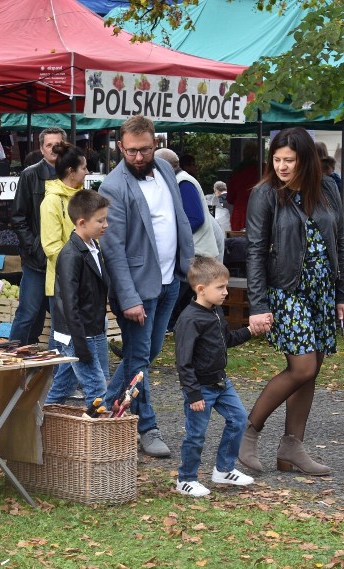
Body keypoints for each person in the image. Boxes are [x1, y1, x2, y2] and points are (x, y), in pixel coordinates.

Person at [238, 127, 344, 476]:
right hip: (287, 290)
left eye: (290, 159)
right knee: (301, 367)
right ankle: (247, 435)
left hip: (322, 292)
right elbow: (255, 251)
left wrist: (342, 294)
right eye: (277, 159)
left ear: (306, 160)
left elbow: (340, 243)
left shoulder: (328, 187)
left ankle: (291, 448)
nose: (282, 166)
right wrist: (258, 305)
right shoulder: (266, 193)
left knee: (312, 370)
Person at [98, 115, 194, 458]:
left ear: (157, 145)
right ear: (120, 148)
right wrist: (128, 298)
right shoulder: (113, 186)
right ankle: (146, 427)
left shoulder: (166, 170)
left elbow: (179, 219)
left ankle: (106, 405)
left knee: (148, 354)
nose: (139, 157)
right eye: (132, 151)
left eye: (146, 150)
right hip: (138, 289)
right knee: (139, 360)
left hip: (171, 281)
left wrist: (189, 267)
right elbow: (113, 250)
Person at [174, 256, 259, 497]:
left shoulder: (216, 312)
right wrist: (193, 393)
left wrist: (250, 331)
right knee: (196, 434)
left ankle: (224, 469)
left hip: (221, 383)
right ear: (201, 289)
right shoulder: (190, 320)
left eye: (226, 286)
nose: (226, 292)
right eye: (220, 287)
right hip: (200, 389)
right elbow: (183, 361)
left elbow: (227, 340)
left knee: (239, 419)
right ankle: (186, 479)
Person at [45, 189, 111, 406]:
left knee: (63, 385)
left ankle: (40, 425)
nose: (106, 225)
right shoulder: (71, 256)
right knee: (97, 388)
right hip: (79, 334)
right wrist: (80, 343)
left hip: (93, 329)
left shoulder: (93, 246)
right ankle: (98, 439)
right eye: (100, 221)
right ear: (82, 222)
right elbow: (67, 302)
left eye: (106, 219)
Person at [41, 142, 95, 399]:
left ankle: (59, 396)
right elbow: (51, 247)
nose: (87, 172)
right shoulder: (51, 201)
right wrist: (80, 259)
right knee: (65, 342)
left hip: (89, 285)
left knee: (73, 343)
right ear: (71, 171)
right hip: (63, 285)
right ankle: (59, 395)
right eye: (84, 168)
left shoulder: (85, 197)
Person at [9, 127, 66, 346]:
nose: (53, 149)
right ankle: (13, 360)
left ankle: (54, 366)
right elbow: (18, 217)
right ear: (41, 149)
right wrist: (35, 247)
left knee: (60, 317)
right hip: (37, 261)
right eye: (49, 145)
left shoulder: (71, 173)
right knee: (28, 314)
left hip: (62, 261)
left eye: (57, 144)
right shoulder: (30, 174)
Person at [154, 147, 217, 332]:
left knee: (174, 299)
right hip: (194, 252)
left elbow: (195, 218)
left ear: (166, 166)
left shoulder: (184, 183)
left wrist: (171, 236)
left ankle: (165, 330)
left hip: (197, 253)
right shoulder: (179, 181)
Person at [226, 142, 259, 231]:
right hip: (259, 212)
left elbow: (230, 198)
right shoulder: (264, 170)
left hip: (240, 213)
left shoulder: (237, 172)